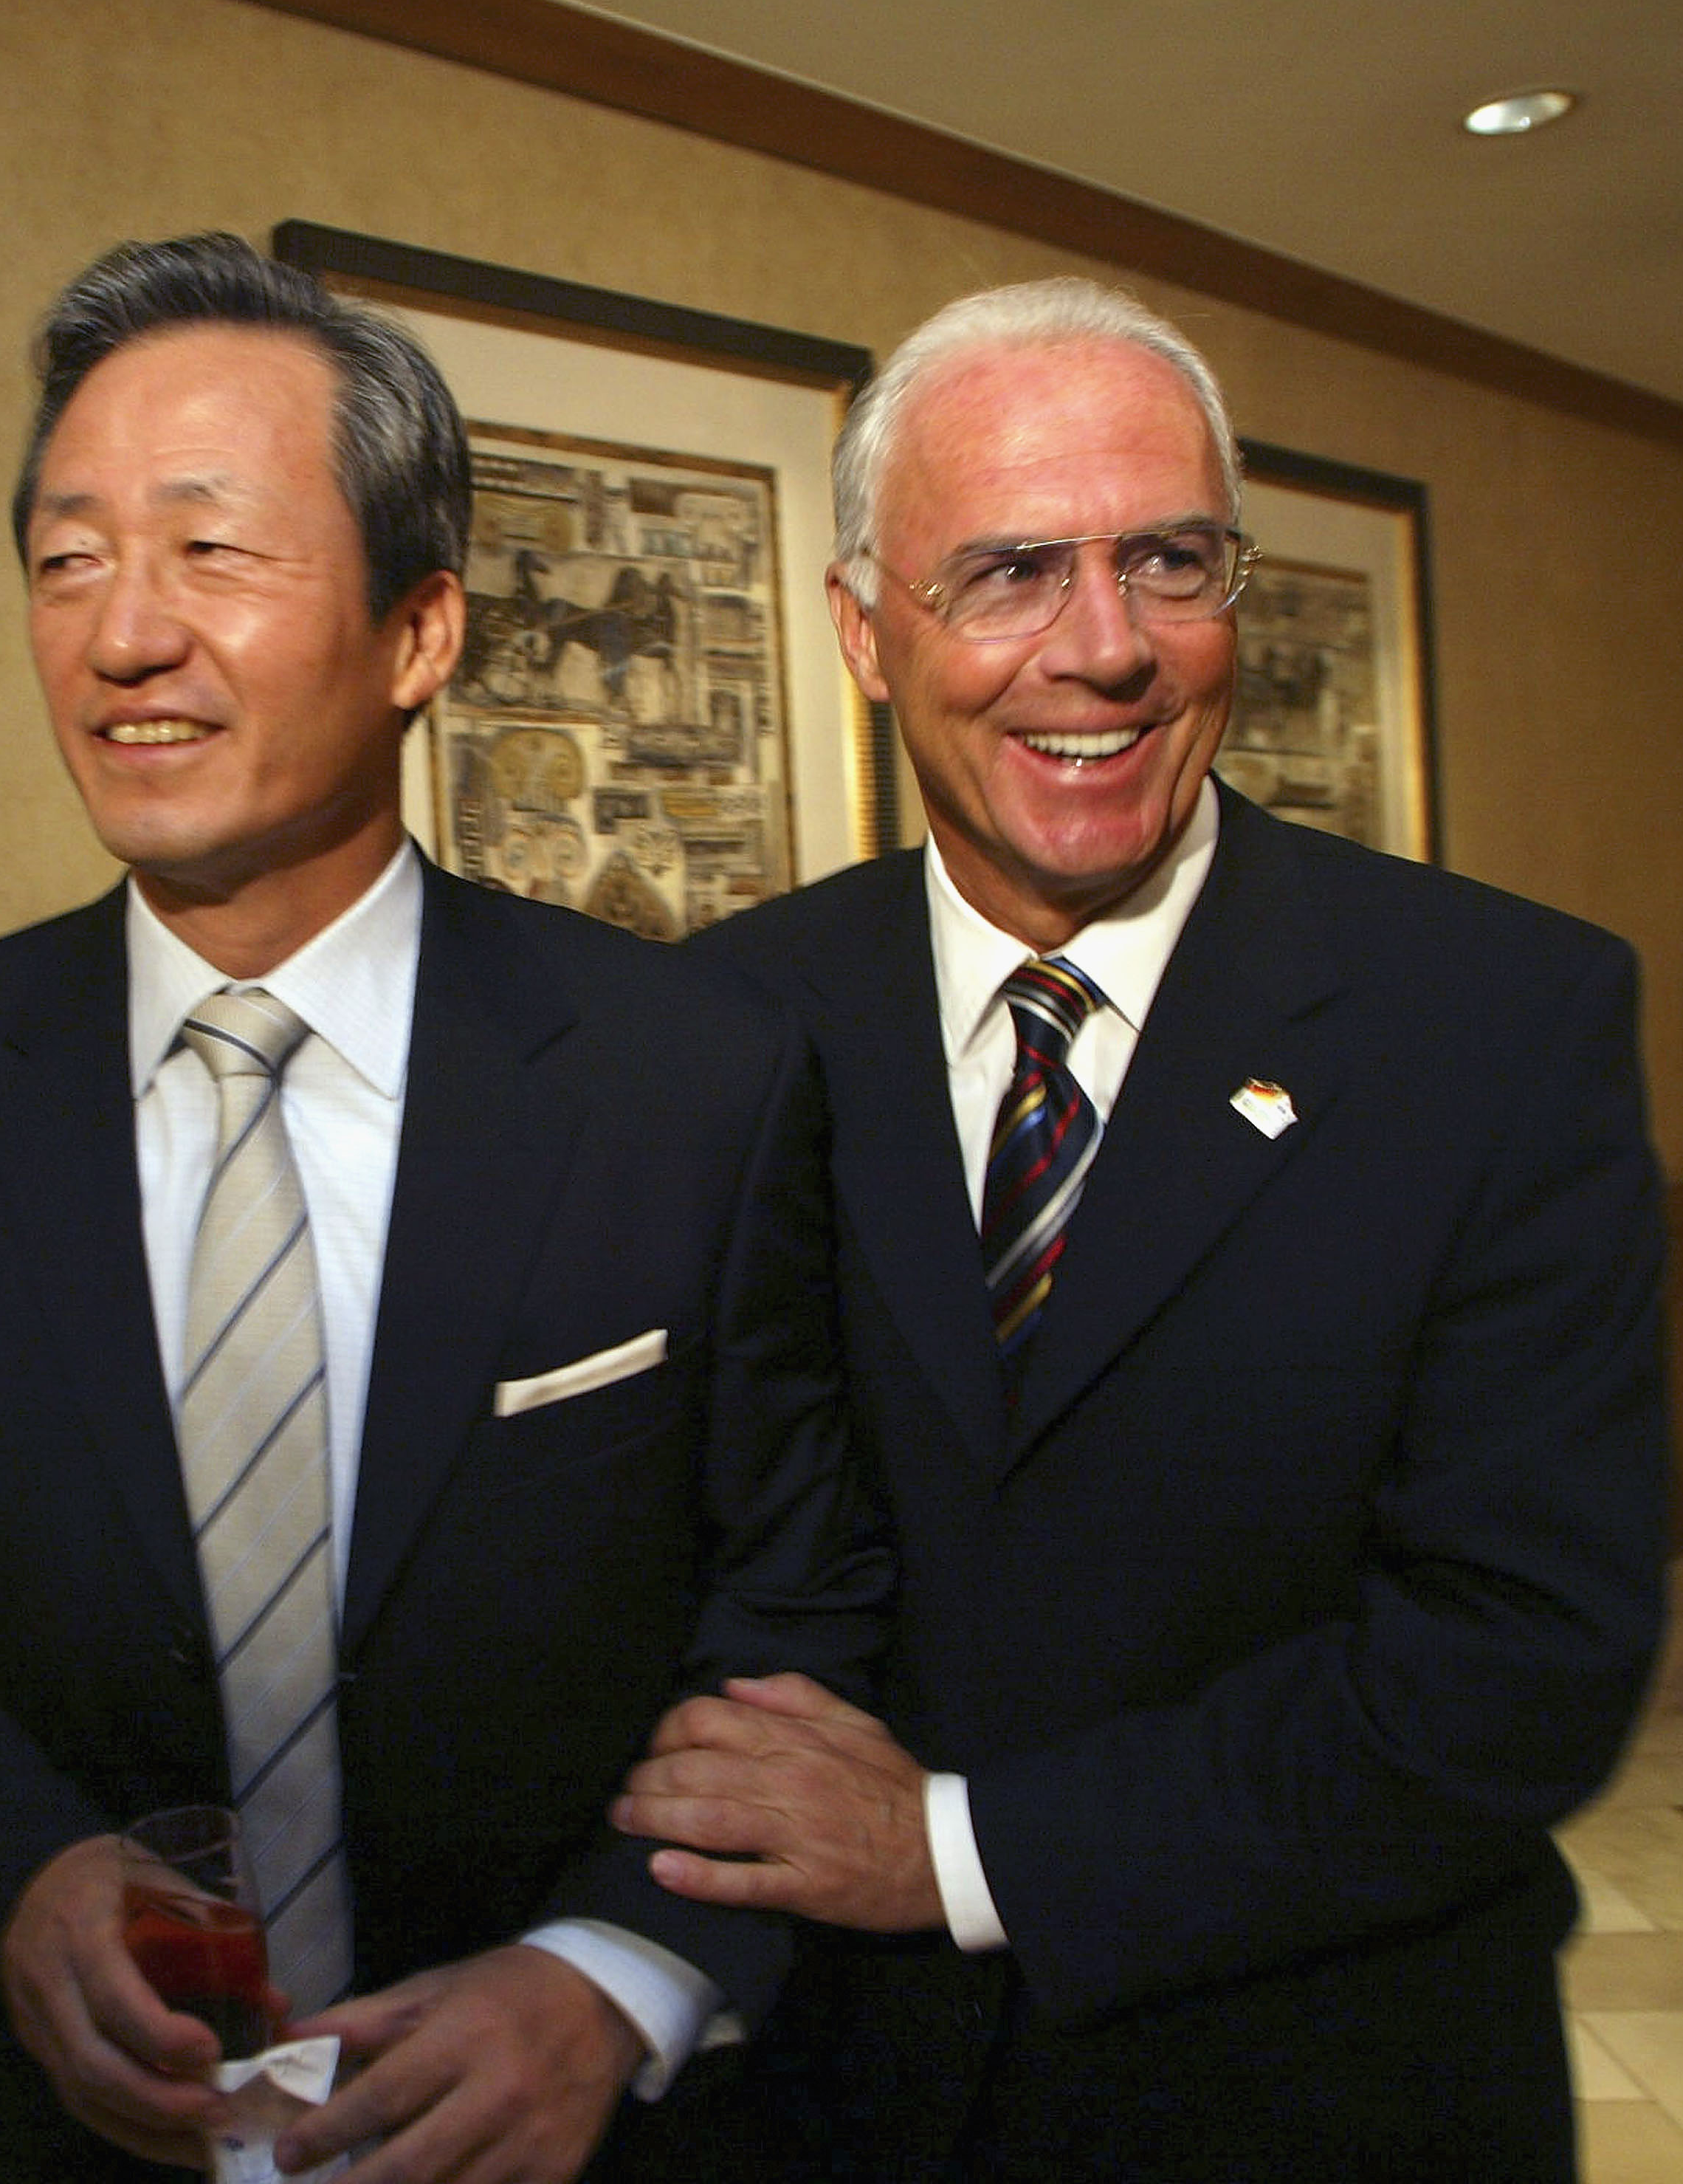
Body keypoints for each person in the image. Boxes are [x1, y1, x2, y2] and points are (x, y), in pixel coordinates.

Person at [0, 233, 887, 2184]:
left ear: (419, 631)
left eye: (209, 549)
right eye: (69, 556)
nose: (121, 636)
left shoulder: (683, 1074)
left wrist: (618, 1967)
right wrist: (13, 1880)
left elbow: (799, 1595)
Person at [612, 277, 1670, 2179]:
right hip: (828, 2102)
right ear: (865, 631)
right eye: (1010, 571)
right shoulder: (715, 1033)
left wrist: (954, 1850)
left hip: (1325, 2089)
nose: (1105, 650)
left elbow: (1525, 1660)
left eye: (1170, 561)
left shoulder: (1502, 1022)